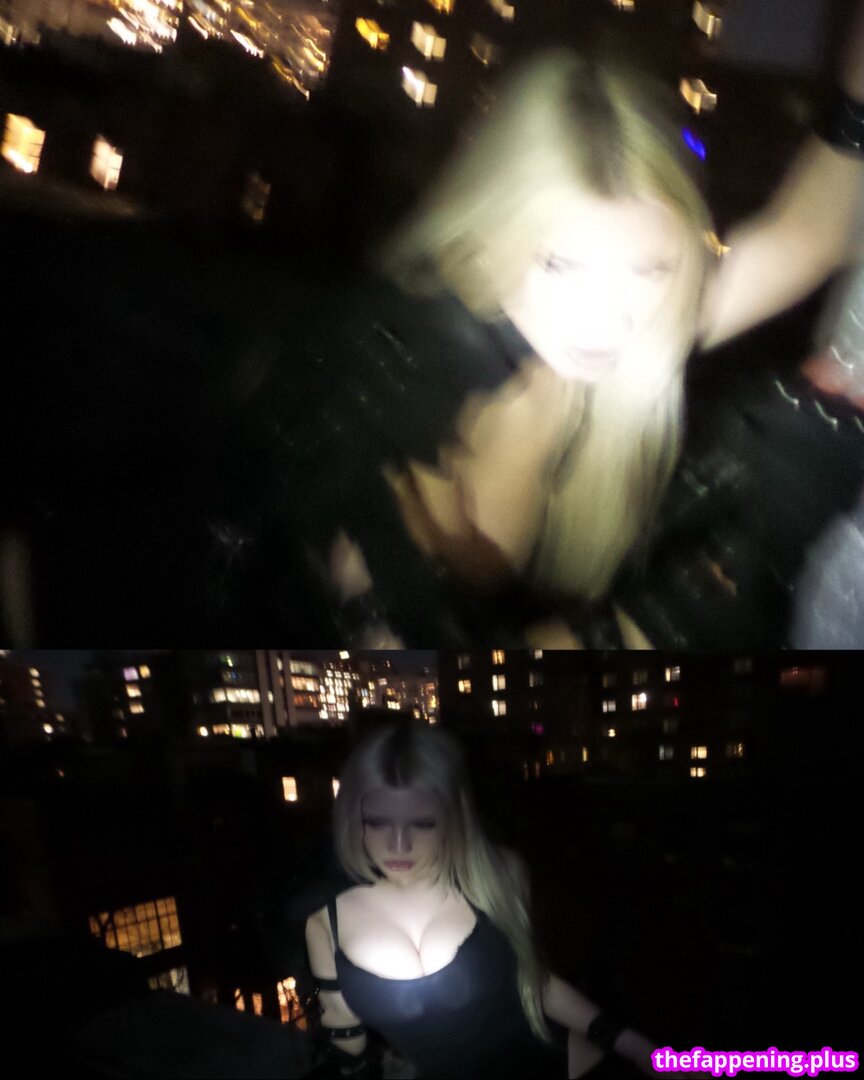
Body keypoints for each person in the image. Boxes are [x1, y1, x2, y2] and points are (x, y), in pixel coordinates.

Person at [246, 14, 864, 648]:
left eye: (648, 270)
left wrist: (858, 99)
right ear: (493, 233)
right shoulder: (404, 387)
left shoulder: (613, 330)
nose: (609, 317)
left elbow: (807, 237)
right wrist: (730, 565)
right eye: (560, 266)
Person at [304, 723, 672, 1080]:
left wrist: (639, 1049)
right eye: (377, 823)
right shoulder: (326, 923)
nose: (399, 845)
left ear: (453, 819)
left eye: (423, 823)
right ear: (353, 819)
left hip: (573, 1065)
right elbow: (344, 1034)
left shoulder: (495, 878)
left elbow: (535, 983)